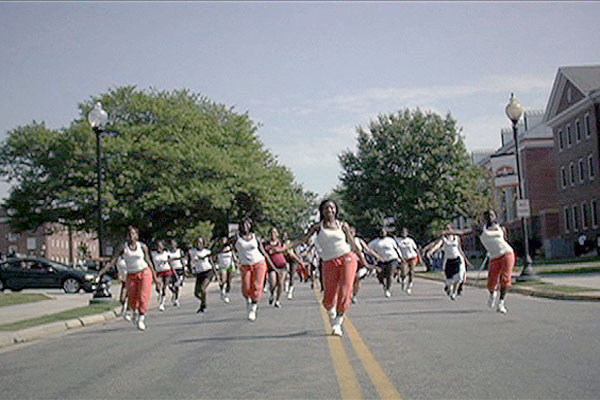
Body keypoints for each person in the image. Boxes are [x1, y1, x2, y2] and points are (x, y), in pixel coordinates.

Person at [291, 199, 366, 337]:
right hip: (329, 262)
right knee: (328, 298)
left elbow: (353, 245)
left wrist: (364, 261)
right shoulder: (317, 227)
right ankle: (332, 311)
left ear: (336, 210)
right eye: (326, 208)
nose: (329, 211)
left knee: (345, 289)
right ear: (322, 211)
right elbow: (303, 240)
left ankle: (338, 322)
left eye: (332, 208)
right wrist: (286, 247)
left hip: (347, 258)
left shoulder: (343, 225)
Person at [97, 226, 160, 330]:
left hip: (144, 272)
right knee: (132, 298)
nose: (132, 236)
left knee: (143, 296)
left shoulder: (142, 247)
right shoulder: (123, 247)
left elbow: (149, 262)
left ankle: (141, 318)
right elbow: (112, 261)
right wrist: (101, 273)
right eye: (130, 234)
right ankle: (134, 311)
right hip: (131, 274)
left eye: (134, 234)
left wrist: (155, 278)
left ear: (137, 236)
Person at [224, 217, 274, 321]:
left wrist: (272, 265)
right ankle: (249, 301)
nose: (245, 227)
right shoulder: (236, 238)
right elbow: (224, 246)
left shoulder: (256, 237)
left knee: (257, 286)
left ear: (251, 226)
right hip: (245, 265)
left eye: (247, 225)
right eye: (243, 225)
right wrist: (213, 253)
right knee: (246, 287)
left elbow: (263, 251)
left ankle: (253, 309)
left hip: (259, 263)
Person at [479, 210, 515, 314]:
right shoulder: (482, 230)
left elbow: (504, 240)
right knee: (491, 282)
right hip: (494, 257)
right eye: (487, 216)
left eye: (492, 215)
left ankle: (501, 303)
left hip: (507, 253)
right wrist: (449, 232)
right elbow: (464, 232)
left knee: (505, 278)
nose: (490, 217)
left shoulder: (501, 228)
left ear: (495, 216)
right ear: (484, 218)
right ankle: (492, 294)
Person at [188, 237, 220, 313]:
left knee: (203, 288)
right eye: (197, 243)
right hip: (199, 273)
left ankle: (203, 304)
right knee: (196, 293)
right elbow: (189, 262)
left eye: (200, 243)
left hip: (208, 272)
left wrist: (217, 276)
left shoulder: (207, 252)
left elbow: (212, 263)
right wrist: (190, 270)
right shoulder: (192, 252)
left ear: (203, 244)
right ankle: (203, 302)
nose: (199, 244)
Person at [350, 226, 380, 304]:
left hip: (360, 262)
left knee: (358, 278)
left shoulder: (358, 240)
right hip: (348, 262)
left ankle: (354, 295)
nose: (350, 234)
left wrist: (378, 257)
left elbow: (368, 250)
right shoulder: (343, 241)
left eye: (352, 232)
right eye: (349, 232)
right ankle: (348, 294)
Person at [369, 228, 402, 298]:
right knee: (380, 275)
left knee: (390, 274)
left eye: (384, 232)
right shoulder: (374, 242)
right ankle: (384, 284)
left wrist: (400, 258)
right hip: (381, 261)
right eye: (381, 232)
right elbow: (369, 251)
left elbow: (396, 249)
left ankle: (388, 289)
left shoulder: (390, 240)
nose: (382, 233)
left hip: (392, 258)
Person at [264, 227, 289, 308]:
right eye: (271, 233)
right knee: (273, 282)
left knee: (281, 283)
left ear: (277, 234)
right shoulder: (266, 244)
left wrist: (278, 250)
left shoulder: (280, 243)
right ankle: (272, 294)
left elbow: (286, 251)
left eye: (275, 232)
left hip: (282, 265)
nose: (273, 234)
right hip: (272, 266)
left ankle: (277, 300)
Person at [395, 227, 421, 294]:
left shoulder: (410, 240)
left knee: (412, 271)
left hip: (412, 256)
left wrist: (420, 258)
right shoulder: (397, 240)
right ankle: (403, 280)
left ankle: (409, 285)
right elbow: (396, 249)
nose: (404, 234)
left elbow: (415, 249)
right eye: (402, 232)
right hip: (403, 258)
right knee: (404, 272)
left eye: (405, 232)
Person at [152, 240, 175, 312]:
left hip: (167, 271)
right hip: (159, 271)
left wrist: (174, 272)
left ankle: (162, 303)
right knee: (158, 287)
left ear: (163, 247)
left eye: (160, 246)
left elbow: (170, 262)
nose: (159, 247)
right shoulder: (153, 254)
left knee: (165, 286)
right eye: (158, 246)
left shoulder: (166, 253)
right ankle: (163, 294)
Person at [215, 236, 237, 304]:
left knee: (229, 281)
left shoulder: (229, 247)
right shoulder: (218, 248)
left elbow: (233, 254)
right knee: (223, 279)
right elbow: (214, 256)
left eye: (224, 240)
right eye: (222, 240)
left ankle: (227, 290)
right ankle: (223, 292)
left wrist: (235, 260)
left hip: (230, 265)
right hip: (222, 265)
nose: (223, 242)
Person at [168, 240, 186, 307]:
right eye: (171, 244)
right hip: (171, 269)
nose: (172, 245)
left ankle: (176, 299)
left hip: (179, 269)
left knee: (177, 285)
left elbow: (183, 260)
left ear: (176, 244)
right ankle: (174, 293)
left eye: (173, 244)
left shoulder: (179, 251)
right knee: (170, 285)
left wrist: (184, 269)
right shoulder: (168, 252)